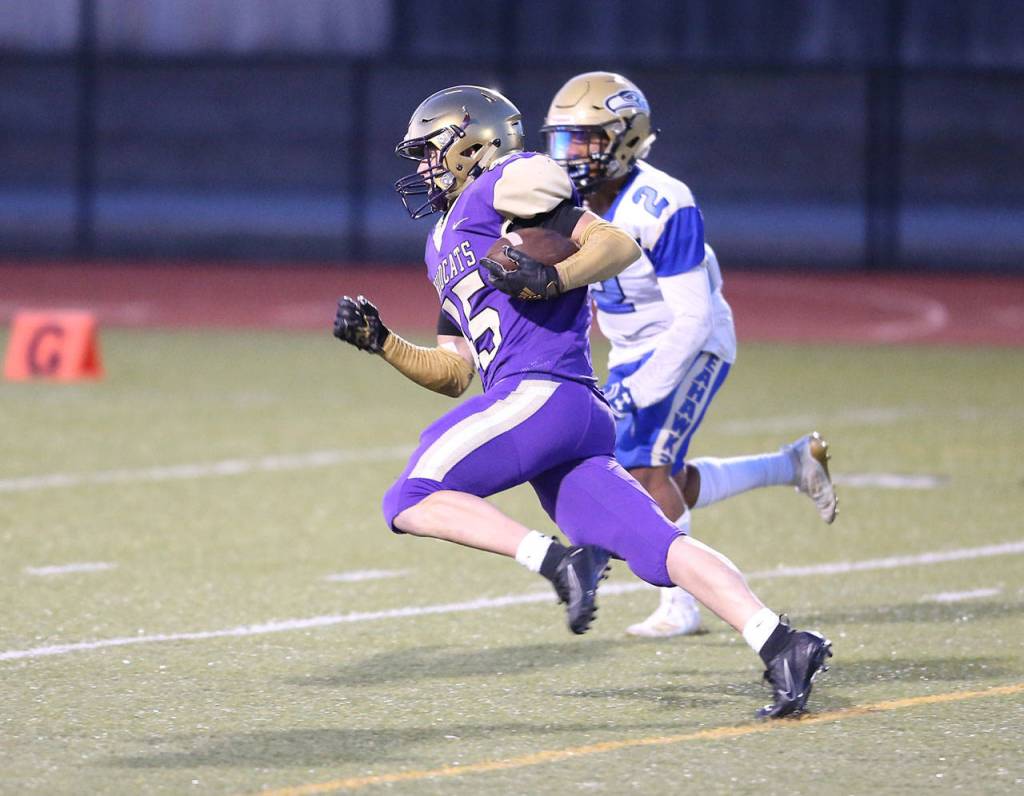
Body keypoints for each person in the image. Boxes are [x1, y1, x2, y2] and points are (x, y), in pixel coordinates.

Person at [332, 84, 831, 718]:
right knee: (657, 546)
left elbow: (618, 244)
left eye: (432, 151)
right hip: (565, 416)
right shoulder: (442, 242)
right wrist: (384, 344)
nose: (424, 168)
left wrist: (556, 275)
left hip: (541, 393)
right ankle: (781, 641)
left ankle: (560, 562)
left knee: (410, 496)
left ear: (472, 142)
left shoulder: (508, 181)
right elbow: (455, 372)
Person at [541, 72, 838, 638]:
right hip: (630, 349)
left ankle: (682, 604)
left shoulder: (664, 202)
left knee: (644, 469)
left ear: (626, 139)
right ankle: (793, 463)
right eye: (565, 140)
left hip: (690, 342)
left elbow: (693, 317)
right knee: (665, 473)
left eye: (587, 140)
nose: (572, 155)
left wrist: (640, 388)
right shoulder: (567, 200)